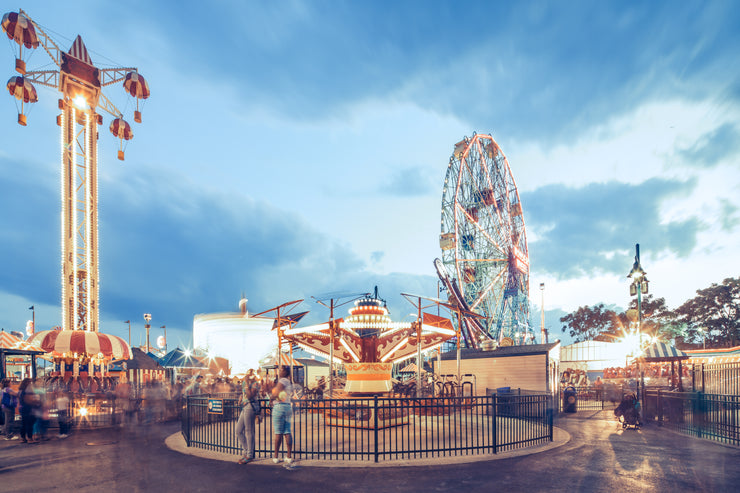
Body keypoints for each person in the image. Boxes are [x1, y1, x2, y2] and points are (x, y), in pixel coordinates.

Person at [235, 370, 262, 465]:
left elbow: (250, 395)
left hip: (250, 406)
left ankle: (249, 455)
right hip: (244, 406)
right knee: (238, 430)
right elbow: (245, 394)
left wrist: (246, 383)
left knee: (249, 431)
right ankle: (247, 451)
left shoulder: (255, 384)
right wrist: (241, 397)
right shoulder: (244, 383)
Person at [271, 366, 294, 469]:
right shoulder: (289, 382)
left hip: (279, 406)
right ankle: (289, 456)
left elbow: (276, 393)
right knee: (287, 431)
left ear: (285, 371)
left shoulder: (282, 380)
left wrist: (271, 398)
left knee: (278, 432)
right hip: (288, 406)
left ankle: (276, 456)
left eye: (281, 370)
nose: (279, 371)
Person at [18, 378, 39, 443]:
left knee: (24, 423)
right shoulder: (27, 391)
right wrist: (36, 401)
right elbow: (29, 400)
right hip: (28, 408)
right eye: (29, 382)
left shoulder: (20, 391)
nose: (31, 384)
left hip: (22, 408)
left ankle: (23, 438)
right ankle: (30, 438)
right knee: (29, 424)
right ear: (26, 383)